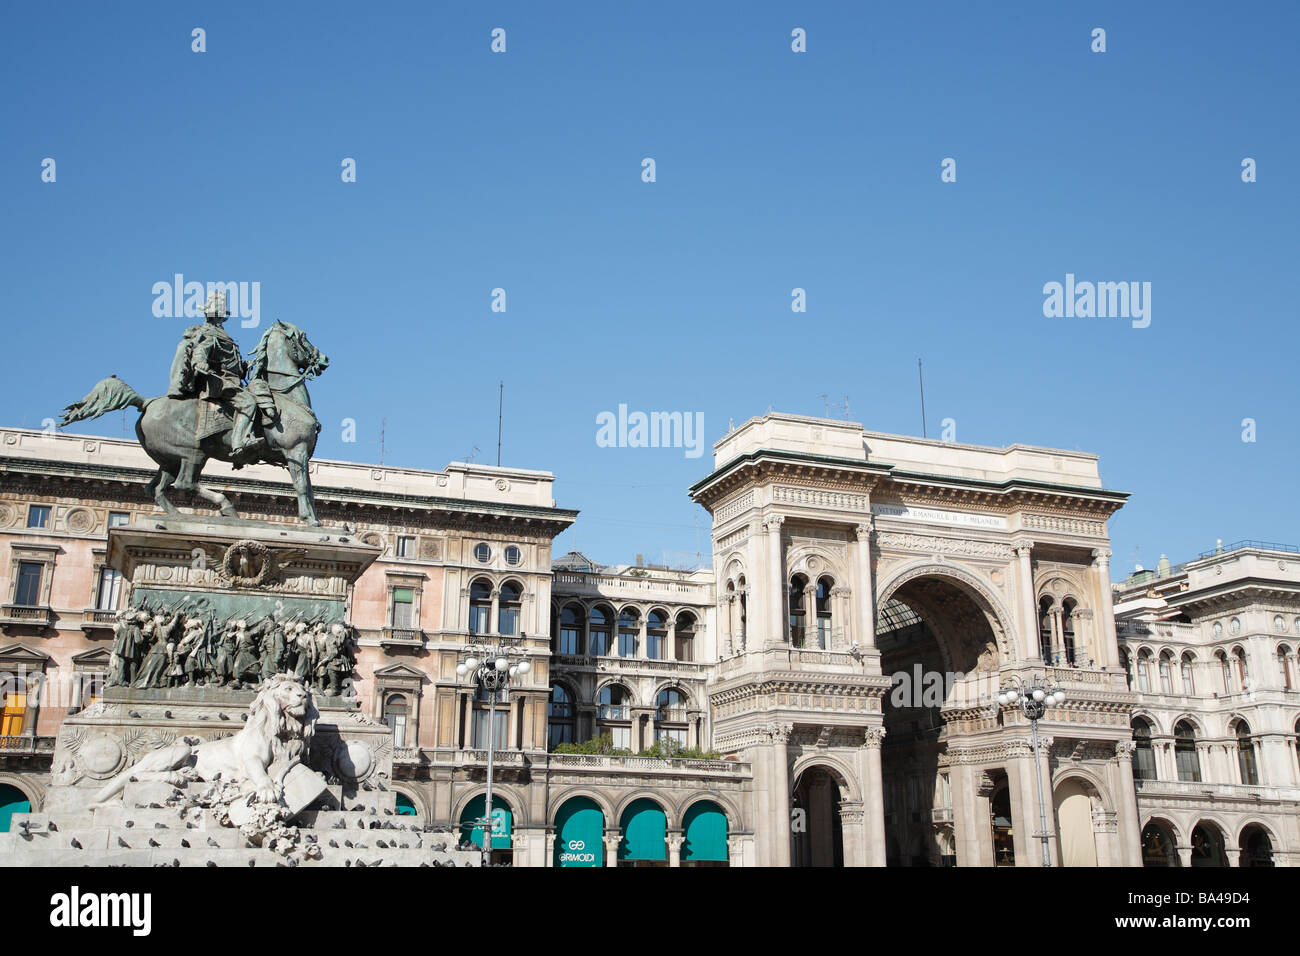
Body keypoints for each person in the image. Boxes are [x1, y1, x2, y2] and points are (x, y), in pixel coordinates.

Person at [167, 291, 273, 459]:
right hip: (221, 383)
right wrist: (199, 362)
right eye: (216, 314)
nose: (218, 317)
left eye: (219, 314)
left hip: (232, 380)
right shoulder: (209, 332)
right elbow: (201, 351)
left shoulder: (221, 333)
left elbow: (231, 362)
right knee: (249, 403)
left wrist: (246, 366)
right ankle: (240, 442)